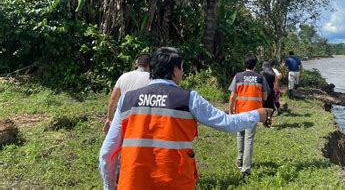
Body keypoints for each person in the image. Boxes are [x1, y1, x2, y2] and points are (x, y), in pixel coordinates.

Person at [99, 47, 271, 190]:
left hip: (133, 183)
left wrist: (110, 186)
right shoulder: (188, 98)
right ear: (174, 70)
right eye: (181, 68)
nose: (182, 73)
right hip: (176, 182)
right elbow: (227, 123)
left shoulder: (126, 100)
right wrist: (257, 114)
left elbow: (107, 153)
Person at [228, 53, 270, 177]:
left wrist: (231, 111)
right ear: (255, 65)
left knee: (240, 135)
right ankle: (246, 169)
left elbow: (232, 97)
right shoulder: (260, 78)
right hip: (253, 113)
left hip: (240, 111)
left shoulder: (238, 77)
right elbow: (265, 96)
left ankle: (240, 161)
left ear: (244, 64)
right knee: (249, 139)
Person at [102, 53, 151, 134]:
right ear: (151, 64)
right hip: (140, 121)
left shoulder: (124, 76)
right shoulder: (152, 79)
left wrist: (109, 118)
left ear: (137, 63)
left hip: (123, 119)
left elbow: (113, 99)